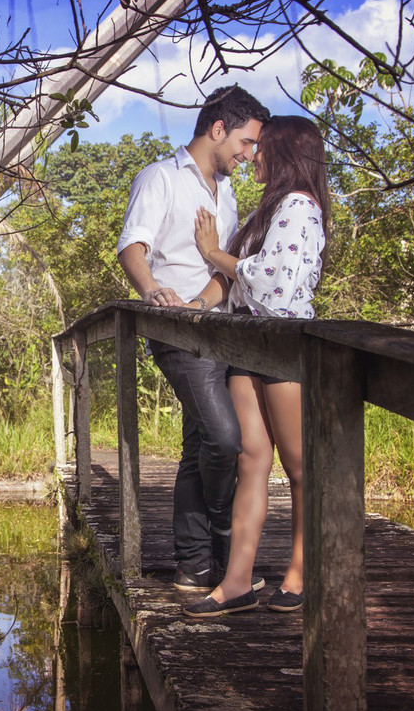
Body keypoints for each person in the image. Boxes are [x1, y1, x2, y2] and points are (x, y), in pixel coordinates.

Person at [116, 86, 271, 591]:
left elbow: (225, 267)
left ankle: (195, 564)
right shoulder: (160, 177)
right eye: (245, 142)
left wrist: (203, 303)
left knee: (197, 445)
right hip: (178, 334)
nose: (249, 154)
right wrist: (153, 291)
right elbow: (132, 246)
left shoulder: (226, 193)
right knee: (224, 439)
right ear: (218, 129)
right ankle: (222, 534)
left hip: (219, 328)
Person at [177, 115, 331, 617]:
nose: (253, 156)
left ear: (285, 152)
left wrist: (212, 252)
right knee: (251, 460)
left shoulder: (300, 205)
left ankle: (301, 574)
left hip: (282, 343)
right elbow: (244, 283)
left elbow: (273, 284)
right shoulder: (270, 207)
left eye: (262, 148)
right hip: (248, 344)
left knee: (300, 467)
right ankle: (237, 582)